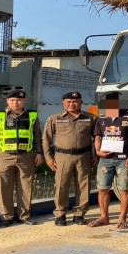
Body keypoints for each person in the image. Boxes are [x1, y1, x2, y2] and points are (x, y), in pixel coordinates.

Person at [0, 87, 44, 227]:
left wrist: (39, 153)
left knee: (26, 187)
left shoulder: (32, 116)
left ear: (24, 101)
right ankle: (7, 217)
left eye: (19, 100)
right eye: (12, 100)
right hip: (3, 156)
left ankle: (24, 216)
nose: (15, 103)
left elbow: (38, 136)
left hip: (26, 156)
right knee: (4, 186)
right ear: (7, 101)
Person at [43, 91, 97, 226]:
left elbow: (98, 137)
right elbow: (46, 139)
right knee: (61, 185)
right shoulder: (55, 118)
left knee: (83, 185)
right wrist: (48, 157)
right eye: (68, 102)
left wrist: (96, 155)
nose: (72, 104)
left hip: (84, 156)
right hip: (62, 156)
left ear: (81, 102)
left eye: (75, 101)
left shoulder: (90, 118)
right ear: (63, 104)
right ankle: (60, 213)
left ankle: (79, 214)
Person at [89, 91, 128, 229]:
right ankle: (104, 217)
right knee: (102, 188)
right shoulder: (101, 119)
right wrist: (98, 151)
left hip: (124, 159)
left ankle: (122, 217)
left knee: (124, 188)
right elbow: (98, 137)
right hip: (105, 160)